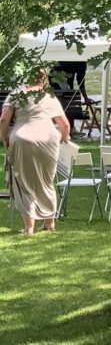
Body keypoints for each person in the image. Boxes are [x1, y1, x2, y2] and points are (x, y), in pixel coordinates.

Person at [0, 68, 71, 236]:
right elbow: (65, 125)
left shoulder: (17, 93)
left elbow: (3, 119)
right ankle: (49, 223)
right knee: (46, 180)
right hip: (48, 138)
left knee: (24, 182)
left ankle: (29, 228)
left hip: (23, 137)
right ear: (44, 78)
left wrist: (5, 139)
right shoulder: (49, 96)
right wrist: (64, 139)